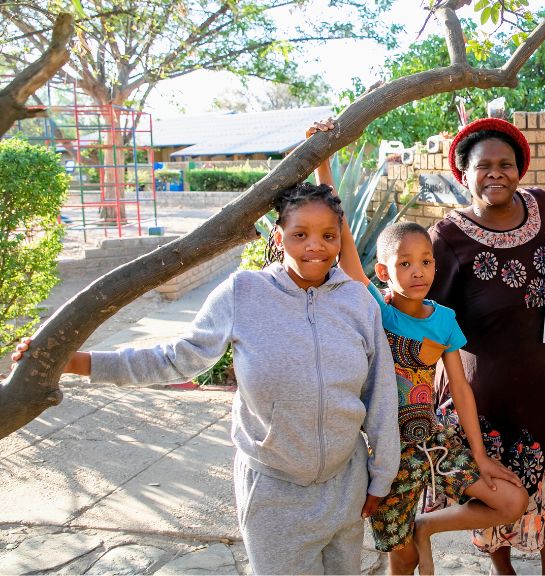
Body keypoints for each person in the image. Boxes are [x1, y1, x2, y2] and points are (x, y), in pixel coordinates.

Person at [13, 183, 401, 575]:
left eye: (328, 236)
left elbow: (380, 394)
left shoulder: (356, 303)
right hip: (274, 492)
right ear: (279, 236)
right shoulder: (244, 293)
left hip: (345, 485)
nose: (315, 246)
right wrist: (79, 362)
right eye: (300, 234)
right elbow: (174, 359)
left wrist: (381, 476)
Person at [428, 117, 545, 575]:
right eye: (483, 166)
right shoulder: (446, 238)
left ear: (520, 169)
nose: (496, 173)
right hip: (487, 402)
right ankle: (502, 571)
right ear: (463, 174)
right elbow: (428, 317)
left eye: (506, 164)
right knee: (495, 498)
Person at [338, 219, 530, 575]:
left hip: (431, 439)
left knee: (511, 500)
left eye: (426, 261)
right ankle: (413, 540)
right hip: (387, 453)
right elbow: (347, 255)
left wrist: (479, 455)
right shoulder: (379, 310)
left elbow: (460, 389)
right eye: (405, 263)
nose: (418, 271)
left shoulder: (444, 320)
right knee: (404, 559)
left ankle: (427, 525)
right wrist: (323, 169)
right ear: (383, 271)